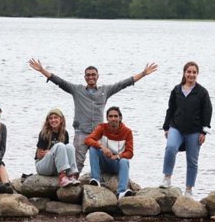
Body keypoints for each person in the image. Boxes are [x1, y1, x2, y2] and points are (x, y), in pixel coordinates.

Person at [28, 58, 157, 171]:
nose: (91, 77)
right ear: (85, 77)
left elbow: (123, 84)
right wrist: (42, 70)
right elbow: (59, 82)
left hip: (98, 134)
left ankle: (100, 182)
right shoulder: (77, 90)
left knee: (102, 160)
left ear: (97, 76)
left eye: (93, 75)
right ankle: (71, 184)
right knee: (76, 163)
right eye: (88, 75)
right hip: (81, 132)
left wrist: (143, 74)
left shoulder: (105, 90)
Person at [161, 61, 212, 197]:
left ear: (197, 74)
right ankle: (167, 178)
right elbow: (170, 109)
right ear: (184, 73)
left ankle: (188, 190)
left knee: (192, 160)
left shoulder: (202, 92)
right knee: (170, 148)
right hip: (176, 127)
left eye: (194, 72)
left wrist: (203, 132)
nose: (191, 74)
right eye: (189, 72)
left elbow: (207, 112)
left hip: (194, 131)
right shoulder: (176, 90)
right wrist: (166, 127)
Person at [85, 106, 135, 197]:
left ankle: (121, 192)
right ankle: (95, 180)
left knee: (125, 161)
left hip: (116, 164)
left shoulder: (127, 132)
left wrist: (118, 156)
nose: (113, 119)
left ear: (120, 118)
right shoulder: (102, 127)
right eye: (110, 116)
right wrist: (102, 147)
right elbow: (88, 139)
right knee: (93, 149)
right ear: (107, 118)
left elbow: (130, 153)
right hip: (104, 161)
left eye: (116, 116)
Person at [34, 108, 80, 187]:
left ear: (61, 120)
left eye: (55, 117)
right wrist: (51, 152)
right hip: (42, 166)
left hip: (56, 166)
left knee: (69, 147)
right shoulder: (44, 133)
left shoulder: (65, 133)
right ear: (48, 121)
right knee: (60, 146)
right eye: (51, 118)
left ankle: (71, 175)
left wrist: (52, 152)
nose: (53, 120)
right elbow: (39, 155)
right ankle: (62, 178)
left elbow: (65, 154)